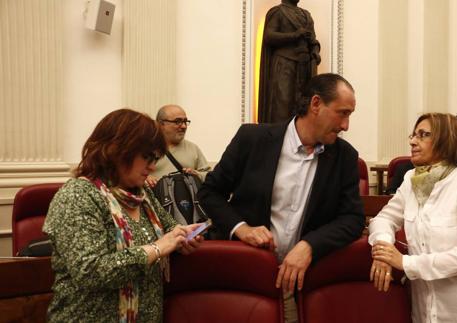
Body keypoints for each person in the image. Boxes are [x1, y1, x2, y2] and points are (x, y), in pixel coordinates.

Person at [198, 73, 364, 293]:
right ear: (315, 103)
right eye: (342, 113)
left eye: (349, 115)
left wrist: (310, 245)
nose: (346, 125)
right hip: (244, 275)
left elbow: (352, 218)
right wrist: (242, 228)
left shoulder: (345, 157)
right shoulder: (252, 139)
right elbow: (210, 192)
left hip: (301, 283)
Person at [43, 109, 204, 322]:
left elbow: (170, 230)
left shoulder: (142, 195)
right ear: (116, 151)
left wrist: (182, 237)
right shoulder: (78, 195)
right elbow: (90, 271)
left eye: (155, 158)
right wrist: (157, 248)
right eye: (147, 157)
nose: (153, 166)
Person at [369, 113, 457, 322]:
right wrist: (383, 249)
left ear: (447, 140)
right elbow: (384, 219)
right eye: (414, 134)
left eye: (423, 135)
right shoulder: (411, 179)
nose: (412, 141)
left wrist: (405, 263)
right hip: (426, 309)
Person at [258, 0, 321, 124]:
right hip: (284, 65)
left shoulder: (306, 15)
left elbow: (313, 40)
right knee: (282, 105)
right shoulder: (278, 12)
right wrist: (295, 35)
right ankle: (279, 137)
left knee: (303, 106)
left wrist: (315, 51)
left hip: (304, 66)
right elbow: (269, 36)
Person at [147, 104, 210, 186]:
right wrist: (145, 177)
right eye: (177, 122)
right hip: (155, 197)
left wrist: (197, 174)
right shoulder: (146, 147)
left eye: (185, 121)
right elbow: (130, 173)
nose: (184, 126)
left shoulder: (193, 148)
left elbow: (209, 176)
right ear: (160, 124)